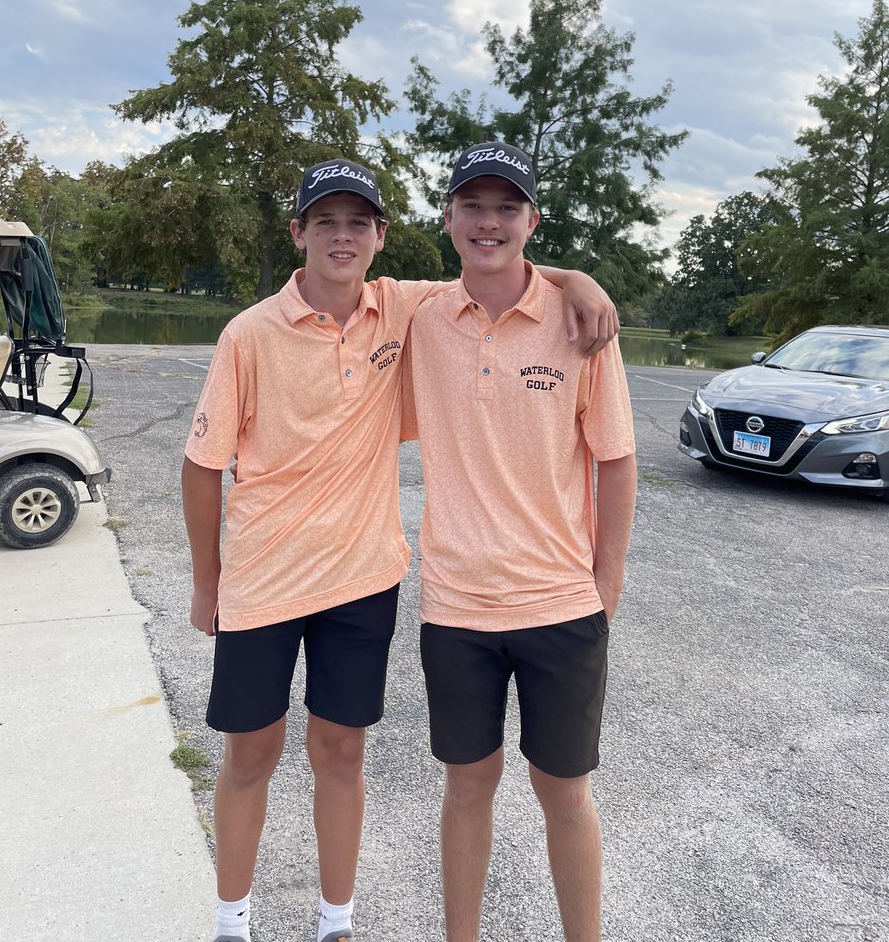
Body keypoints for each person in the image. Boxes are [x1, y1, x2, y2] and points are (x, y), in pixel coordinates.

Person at [182, 155, 619, 942]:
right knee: (255, 755)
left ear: (383, 237)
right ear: (299, 233)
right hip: (274, 580)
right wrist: (204, 583)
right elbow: (200, 465)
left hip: (369, 579)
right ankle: (230, 922)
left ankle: (334, 922)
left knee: (349, 754)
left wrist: (577, 277)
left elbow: (502, 262)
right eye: (325, 222)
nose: (341, 237)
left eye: (358, 223)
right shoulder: (273, 331)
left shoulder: (408, 309)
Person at [406, 142, 637, 942]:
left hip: (559, 607)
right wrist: (578, 272)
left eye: (508, 207)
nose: (489, 222)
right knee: (467, 789)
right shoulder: (421, 315)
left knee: (564, 793)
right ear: (448, 218)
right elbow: (337, 284)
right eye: (473, 205)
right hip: (457, 609)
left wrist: (605, 590)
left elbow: (617, 461)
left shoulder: (582, 326)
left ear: (533, 220)